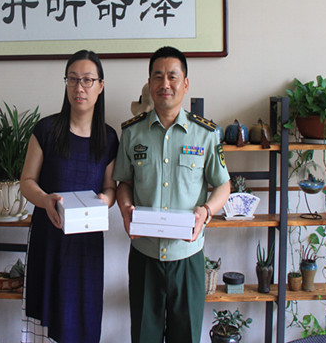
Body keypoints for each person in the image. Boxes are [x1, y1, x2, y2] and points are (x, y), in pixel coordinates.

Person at [114, 46, 231, 343]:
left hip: (188, 257)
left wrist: (206, 211)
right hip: (144, 255)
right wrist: (125, 208)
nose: (165, 84)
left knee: (186, 337)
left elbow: (223, 185)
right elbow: (124, 182)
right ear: (149, 83)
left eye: (172, 76)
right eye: (158, 76)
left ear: (185, 84)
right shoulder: (132, 133)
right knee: (144, 337)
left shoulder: (206, 134)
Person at [20, 49, 119, 343]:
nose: (79, 88)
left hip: (87, 243)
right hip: (49, 237)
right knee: (46, 322)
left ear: (100, 86)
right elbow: (26, 182)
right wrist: (45, 200)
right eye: (73, 79)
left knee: (83, 319)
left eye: (88, 80)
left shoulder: (108, 138)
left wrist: (105, 201)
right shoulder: (46, 130)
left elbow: (110, 188)